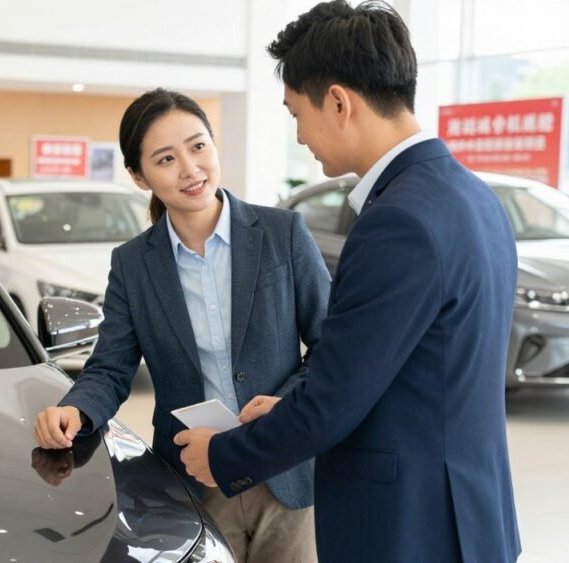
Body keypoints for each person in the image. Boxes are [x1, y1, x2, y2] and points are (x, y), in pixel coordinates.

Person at [174, 2, 522, 562]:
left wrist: (224, 455)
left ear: (338, 102)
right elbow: (405, 370)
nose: (301, 136)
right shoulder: (472, 195)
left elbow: (336, 403)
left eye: (296, 114)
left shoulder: (398, 221)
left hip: (408, 527)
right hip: (468, 512)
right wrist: (286, 409)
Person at [33, 88, 331, 563]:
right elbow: (111, 369)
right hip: (194, 481)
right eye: (166, 158)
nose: (190, 169)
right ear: (138, 175)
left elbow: (333, 346)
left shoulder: (282, 235)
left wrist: (287, 402)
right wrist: (76, 411)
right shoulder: (133, 265)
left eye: (198, 147)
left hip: (285, 470)